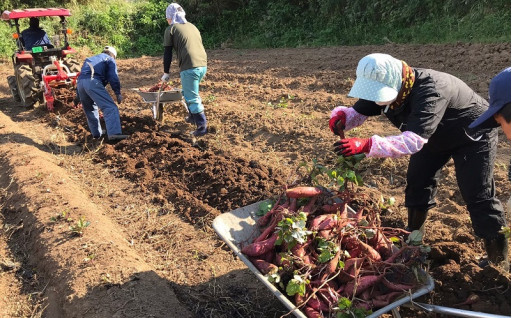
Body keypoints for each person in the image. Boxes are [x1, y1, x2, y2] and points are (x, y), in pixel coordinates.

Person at [329, 53, 507, 265]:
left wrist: (367, 145)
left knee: (478, 195)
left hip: (472, 136)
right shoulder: (386, 87)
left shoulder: (431, 91)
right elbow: (361, 110)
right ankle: (414, 239)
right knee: (417, 182)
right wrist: (344, 118)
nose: (378, 98)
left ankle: (498, 263)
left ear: (399, 81)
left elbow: (412, 142)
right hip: (432, 137)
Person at [161, 3, 208, 136]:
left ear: (171, 17)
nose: (167, 20)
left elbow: (168, 53)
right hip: (202, 64)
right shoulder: (192, 26)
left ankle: (202, 127)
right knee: (189, 91)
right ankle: (192, 117)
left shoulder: (171, 29)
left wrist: (166, 72)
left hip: (190, 66)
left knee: (192, 96)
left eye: (167, 17)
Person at [77, 46, 127, 141]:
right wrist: (117, 93)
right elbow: (113, 76)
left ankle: (96, 134)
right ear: (113, 55)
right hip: (92, 82)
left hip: (80, 84)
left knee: (90, 109)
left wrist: (78, 95)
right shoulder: (109, 59)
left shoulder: (90, 59)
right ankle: (114, 134)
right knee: (110, 107)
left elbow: (81, 76)